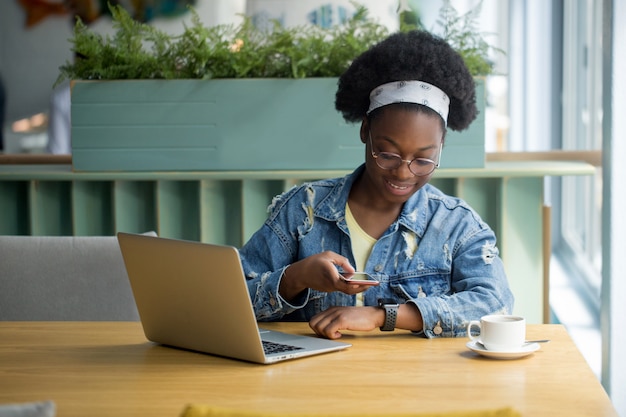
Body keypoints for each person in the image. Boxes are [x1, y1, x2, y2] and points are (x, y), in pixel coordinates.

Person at [239, 30, 514, 340]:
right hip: (312, 381)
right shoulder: (303, 212)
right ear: (365, 130)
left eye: (423, 159)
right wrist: (296, 277)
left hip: (415, 384)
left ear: (441, 146)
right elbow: (233, 299)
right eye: (388, 154)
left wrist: (384, 316)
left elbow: (496, 304)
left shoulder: (456, 225)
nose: (403, 172)